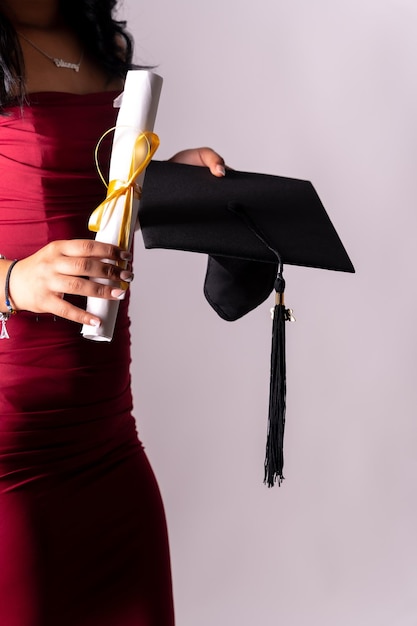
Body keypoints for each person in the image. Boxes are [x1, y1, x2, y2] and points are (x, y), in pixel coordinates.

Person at [0, 1, 226, 624]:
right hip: (10, 450)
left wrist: (162, 184)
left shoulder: (102, 44)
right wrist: (12, 281)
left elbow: (97, 196)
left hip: (106, 434)